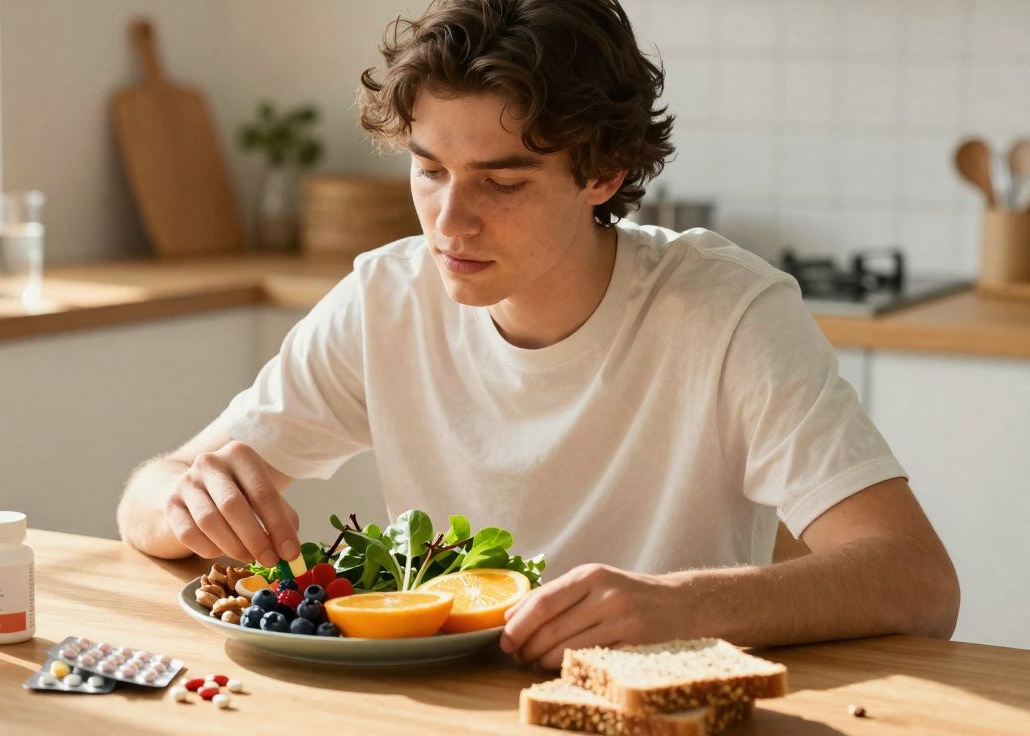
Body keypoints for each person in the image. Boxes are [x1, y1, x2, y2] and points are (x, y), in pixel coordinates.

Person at [118, 0, 959, 670]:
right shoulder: (385, 296)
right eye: (429, 170)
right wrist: (185, 500)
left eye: (502, 181)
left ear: (603, 173)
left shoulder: (726, 311)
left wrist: (684, 606)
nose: (449, 222)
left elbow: (918, 580)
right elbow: (149, 494)